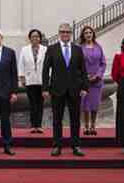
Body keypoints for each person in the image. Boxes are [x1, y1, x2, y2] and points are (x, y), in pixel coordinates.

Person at [42, 23, 89, 157]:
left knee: (75, 119)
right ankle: (57, 145)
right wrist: (45, 88)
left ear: (71, 34)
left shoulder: (77, 49)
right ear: (59, 33)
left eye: (67, 32)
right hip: (57, 89)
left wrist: (85, 87)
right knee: (57, 119)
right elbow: (45, 70)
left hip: (75, 89)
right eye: (62, 32)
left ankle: (76, 145)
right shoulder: (52, 49)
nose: (65, 34)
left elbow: (83, 70)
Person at [78, 26, 106, 136]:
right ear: (83, 35)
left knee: (95, 104)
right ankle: (86, 126)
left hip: (97, 81)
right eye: (86, 33)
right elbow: (76, 64)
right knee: (85, 105)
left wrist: (98, 75)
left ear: (93, 34)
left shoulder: (99, 47)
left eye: (90, 32)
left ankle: (93, 125)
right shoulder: (79, 48)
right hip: (84, 81)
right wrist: (84, 76)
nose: (88, 34)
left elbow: (103, 63)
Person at [18, 29, 47, 134]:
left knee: (40, 103)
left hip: (41, 81)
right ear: (30, 38)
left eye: (37, 36)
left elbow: (48, 66)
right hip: (29, 80)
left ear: (40, 38)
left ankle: (38, 125)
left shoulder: (45, 49)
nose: (35, 38)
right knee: (32, 103)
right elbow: (21, 64)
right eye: (33, 36)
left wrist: (48, 79)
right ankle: (33, 125)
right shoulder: (24, 49)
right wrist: (22, 77)